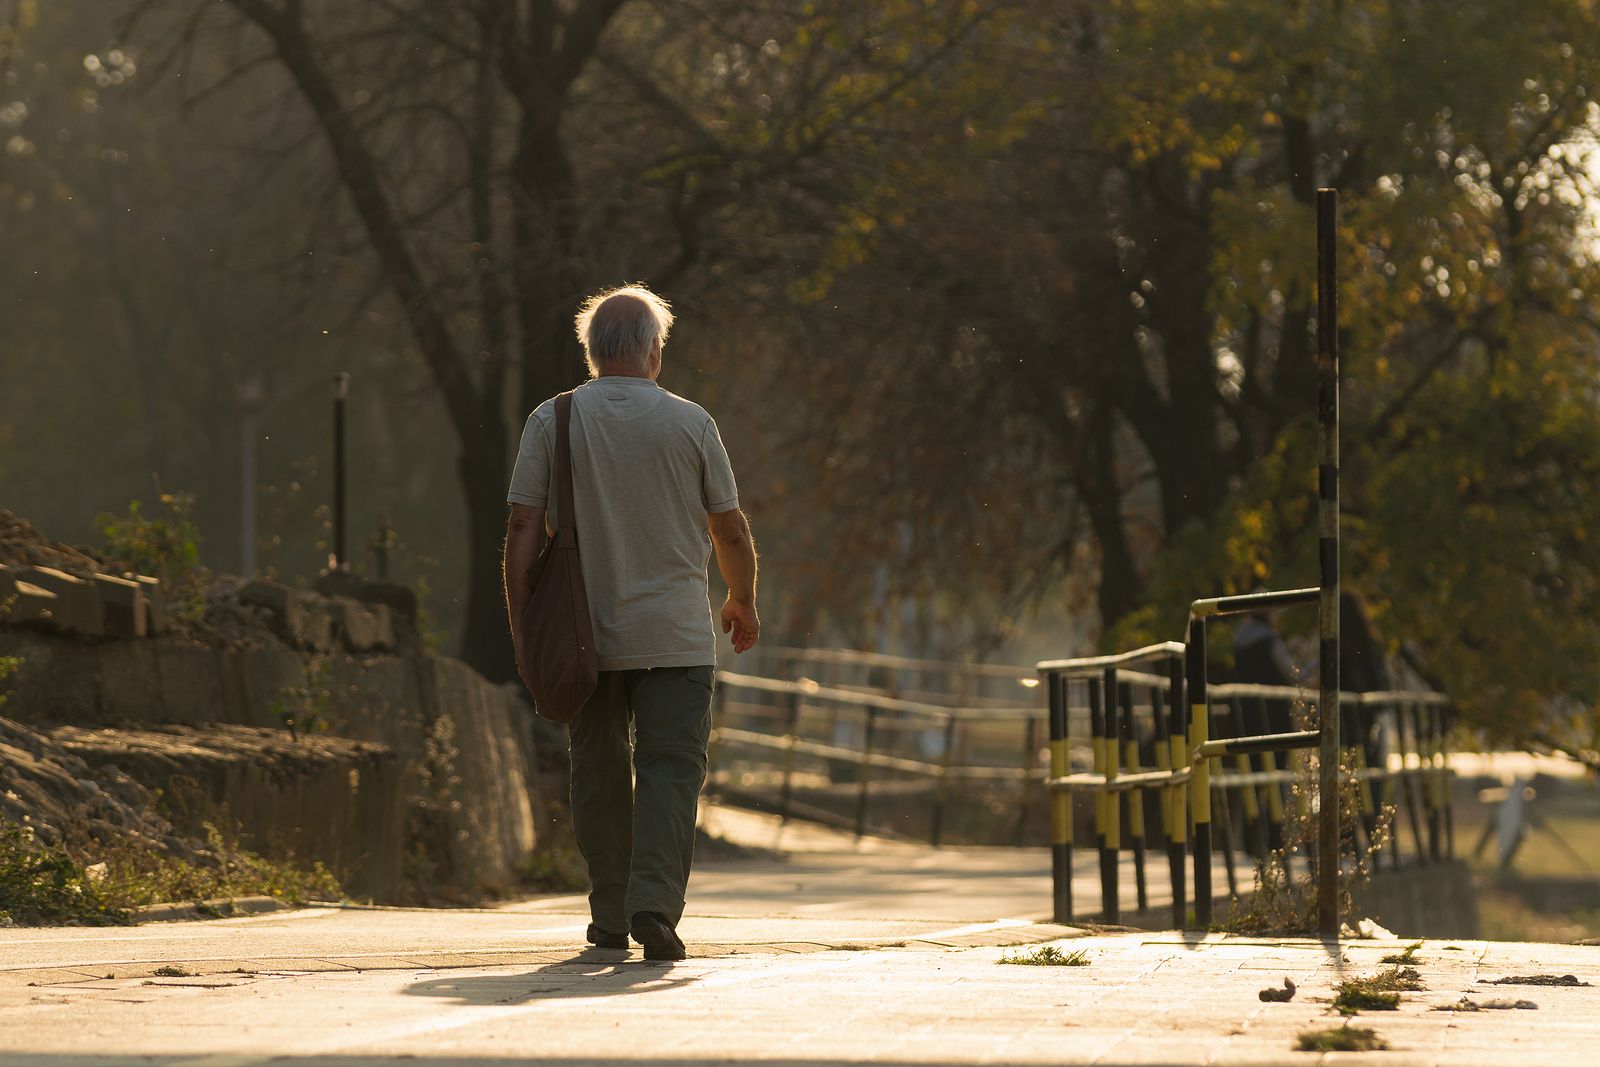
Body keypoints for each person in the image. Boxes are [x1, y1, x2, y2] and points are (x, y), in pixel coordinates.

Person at [502, 285, 759, 961]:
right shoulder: (691, 422)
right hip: (675, 636)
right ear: (654, 350)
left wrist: (522, 616)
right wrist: (742, 597)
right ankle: (654, 906)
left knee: (599, 770)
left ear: (590, 352)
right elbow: (728, 527)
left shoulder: (550, 420)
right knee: (672, 768)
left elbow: (523, 524)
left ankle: (610, 910)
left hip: (585, 636)